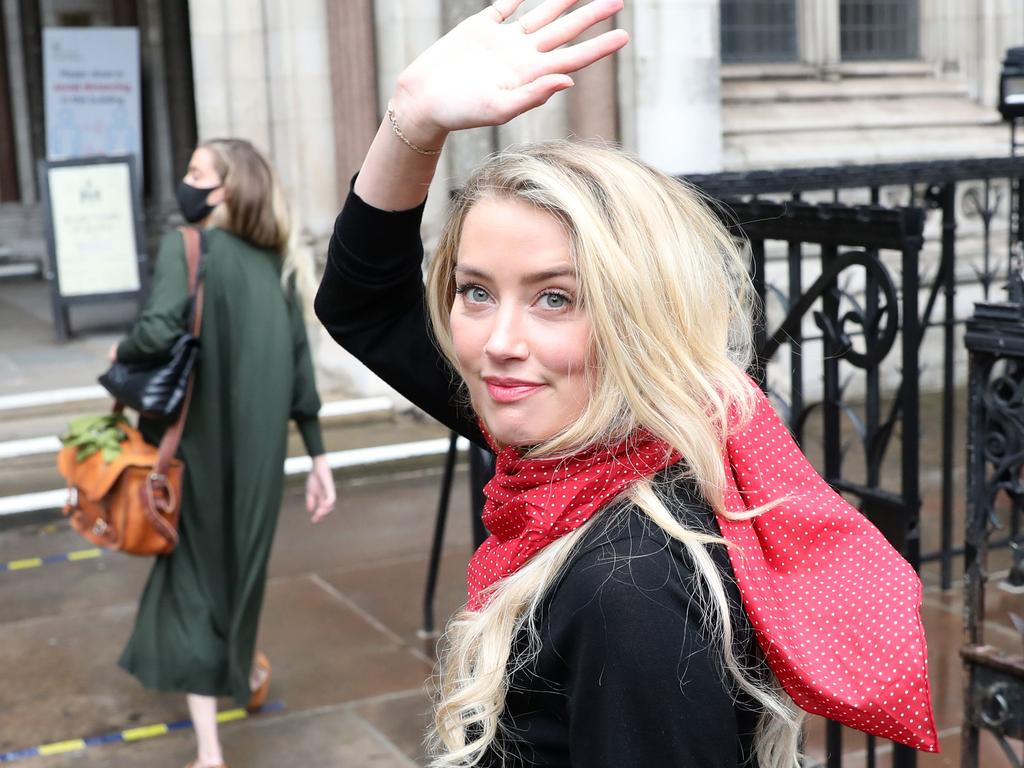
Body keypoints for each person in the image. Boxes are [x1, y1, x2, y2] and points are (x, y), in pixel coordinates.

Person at [315, 1, 938, 765]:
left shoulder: (631, 593)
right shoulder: (589, 441)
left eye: (556, 298)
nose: (497, 345)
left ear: (637, 318)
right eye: (476, 291)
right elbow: (363, 305)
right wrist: (410, 125)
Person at [112, 138, 336, 768]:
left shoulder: (189, 248)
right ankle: (247, 669)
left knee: (194, 583)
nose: (184, 181)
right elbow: (301, 372)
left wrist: (120, 353)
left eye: (195, 171)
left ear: (228, 188)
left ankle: (210, 750)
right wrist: (318, 458)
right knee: (240, 569)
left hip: (194, 450)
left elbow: (157, 330)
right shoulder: (282, 265)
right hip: (261, 454)